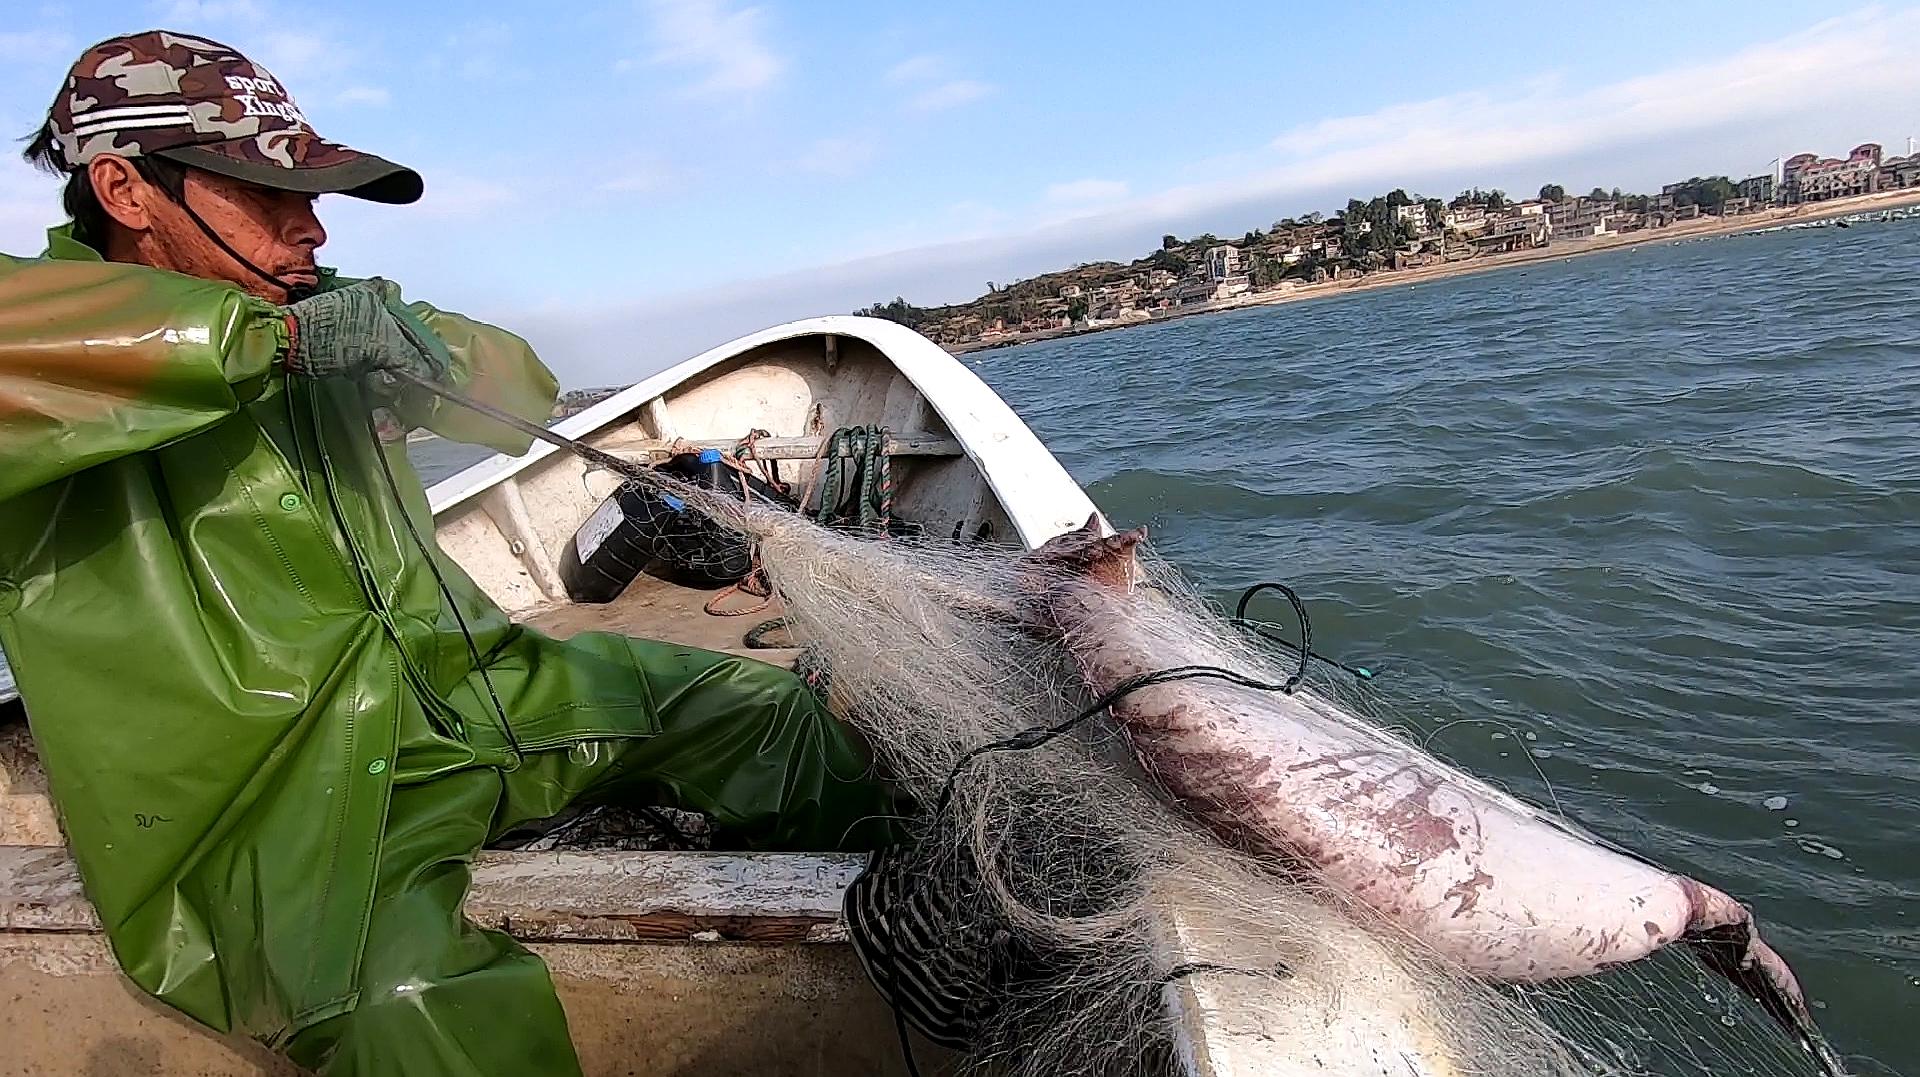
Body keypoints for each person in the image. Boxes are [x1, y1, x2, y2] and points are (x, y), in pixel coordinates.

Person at [0, 30, 896, 1076]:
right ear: (124, 189)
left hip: (476, 695)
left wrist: (416, 339)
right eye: (267, 191)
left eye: (315, 193)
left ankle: (891, 957)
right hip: (279, 794)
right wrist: (269, 343)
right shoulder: (48, 348)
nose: (312, 224)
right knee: (407, 1001)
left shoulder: (322, 308)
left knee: (767, 715)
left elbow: (518, 399)